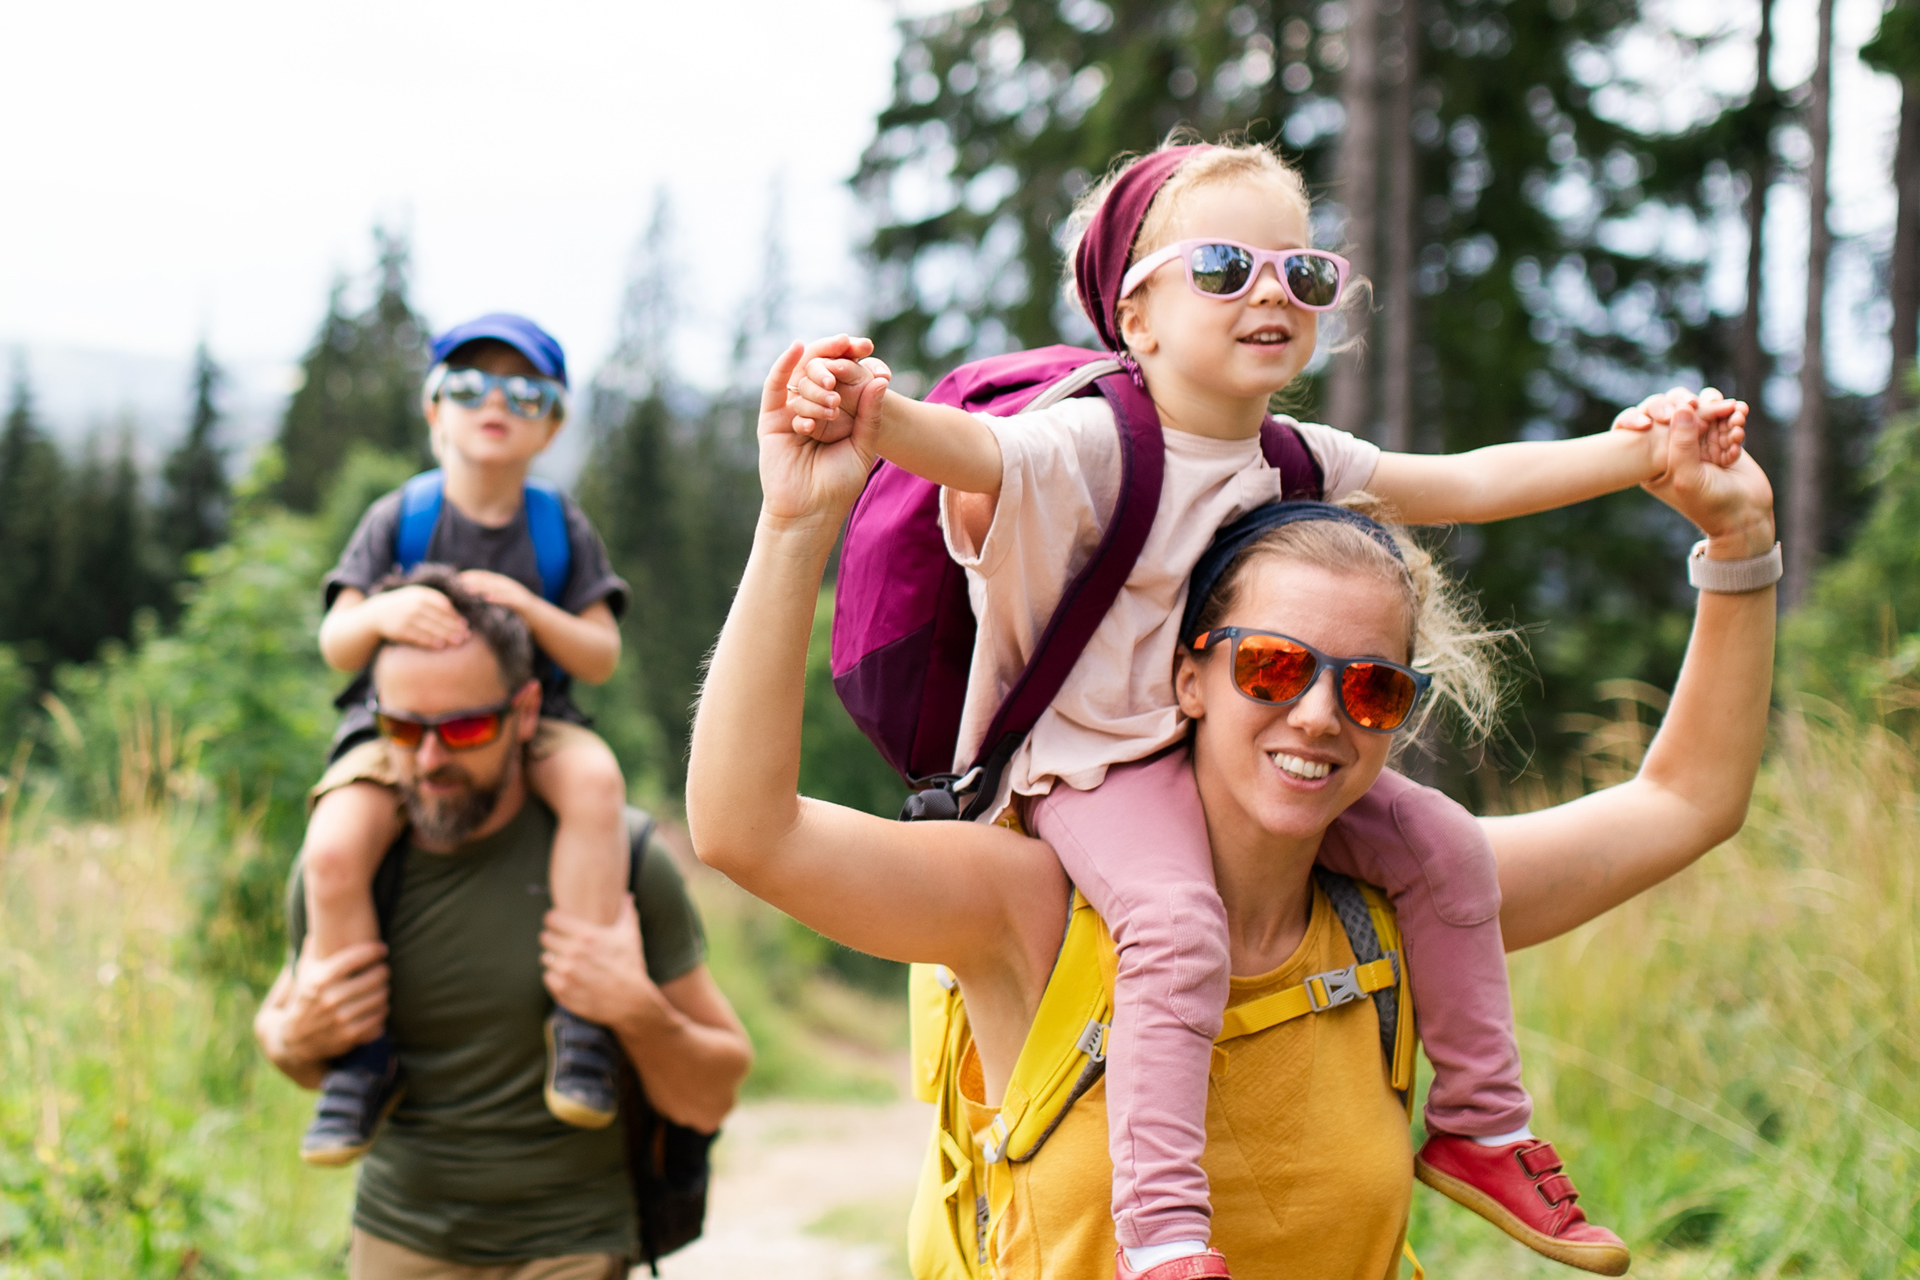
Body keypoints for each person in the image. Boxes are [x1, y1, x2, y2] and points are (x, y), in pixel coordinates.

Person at [779, 138, 1747, 1276]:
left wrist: (1642, 455)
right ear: (1136, 314)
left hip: (1212, 757)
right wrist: (861, 412)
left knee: (1442, 849)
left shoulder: (1297, 456)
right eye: (1227, 267)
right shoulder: (1087, 440)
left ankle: (1482, 1127)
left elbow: (1469, 482)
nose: (1273, 294)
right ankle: (1163, 1233)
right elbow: (965, 449)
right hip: (1093, 773)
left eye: (1307, 273)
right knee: (1177, 923)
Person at [256, 567, 753, 1279]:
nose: (429, 760)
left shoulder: (624, 864)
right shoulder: (346, 868)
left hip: (575, 1247)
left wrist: (635, 1011)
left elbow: (715, 1091)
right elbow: (283, 1031)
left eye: (462, 726)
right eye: (401, 728)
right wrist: (294, 1037)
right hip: (395, 1244)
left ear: (525, 713)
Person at [298, 314, 639, 1165]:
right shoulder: (401, 517)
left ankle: (583, 1023)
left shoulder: (558, 525)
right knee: (335, 850)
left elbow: (599, 654)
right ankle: (359, 1057)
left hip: (535, 720)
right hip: (401, 728)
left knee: (597, 789)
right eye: (469, 386)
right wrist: (379, 610)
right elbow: (337, 641)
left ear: (552, 424)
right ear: (433, 412)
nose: (496, 403)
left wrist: (530, 610)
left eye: (525, 392)